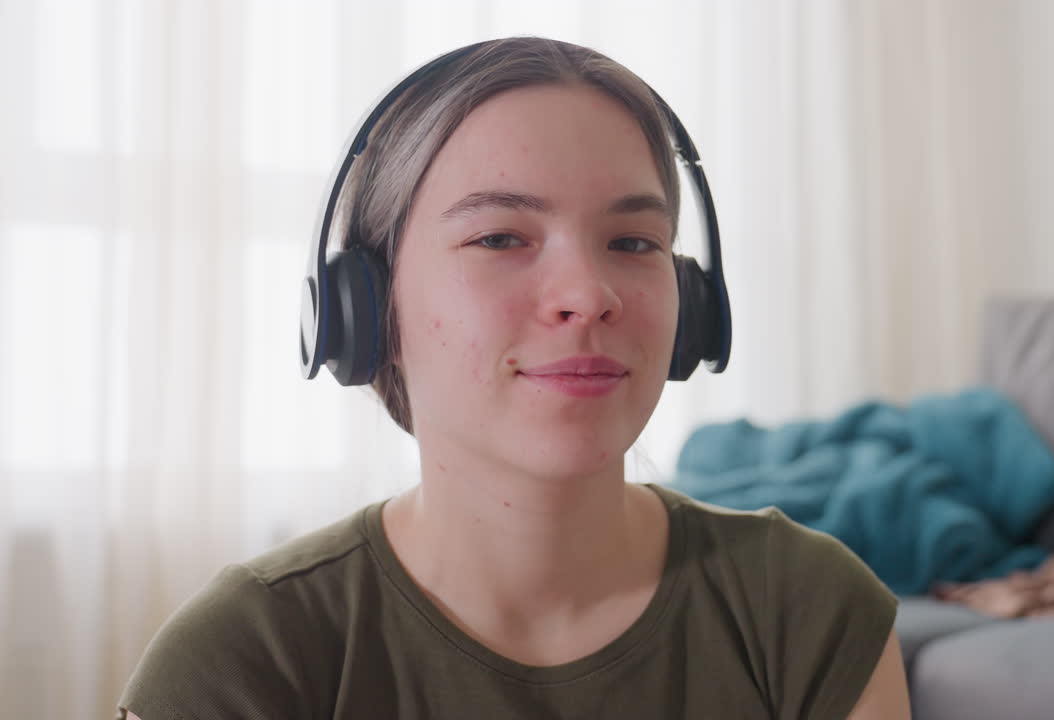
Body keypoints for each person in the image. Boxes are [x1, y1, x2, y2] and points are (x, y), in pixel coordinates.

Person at [117, 37, 908, 719]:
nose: (588, 295)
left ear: (691, 304)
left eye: (633, 243)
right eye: (500, 237)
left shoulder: (809, 611)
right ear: (364, 308)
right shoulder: (242, 660)